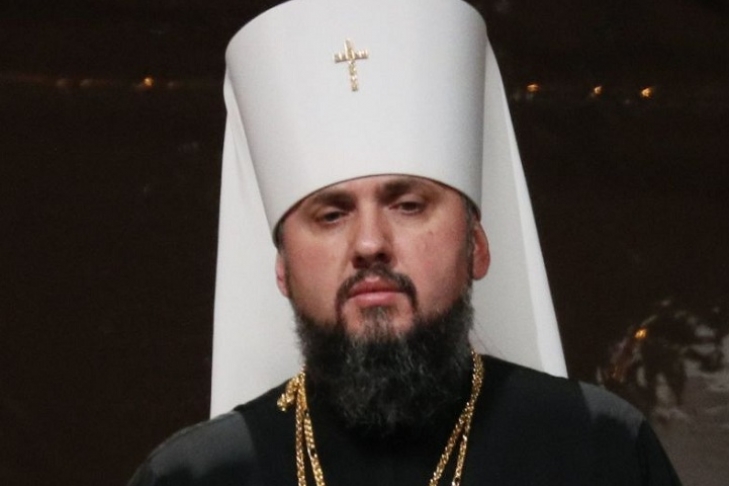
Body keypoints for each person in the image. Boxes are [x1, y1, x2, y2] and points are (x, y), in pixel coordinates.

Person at [128, 0, 682, 484]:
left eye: (408, 205)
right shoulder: (193, 477)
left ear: (477, 245)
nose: (370, 243)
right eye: (331, 215)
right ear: (282, 267)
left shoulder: (597, 451)